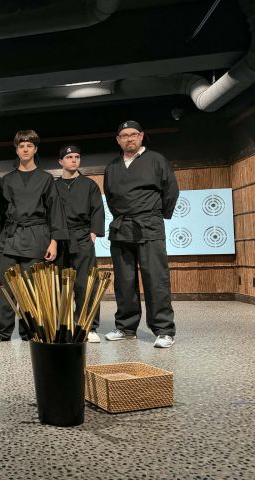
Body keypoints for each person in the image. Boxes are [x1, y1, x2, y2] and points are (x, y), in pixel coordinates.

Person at [104, 120, 179, 348]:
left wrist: (156, 215)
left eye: (133, 134)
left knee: (155, 279)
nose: (129, 138)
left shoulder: (156, 160)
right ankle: (126, 327)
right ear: (118, 140)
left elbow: (171, 190)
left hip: (149, 225)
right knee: (124, 281)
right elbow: (110, 197)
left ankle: (164, 329)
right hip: (121, 228)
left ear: (141, 136)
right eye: (124, 135)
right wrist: (123, 216)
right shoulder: (112, 166)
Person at [0, 130, 68, 343]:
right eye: (21, 146)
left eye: (29, 146)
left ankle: (30, 331)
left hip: (36, 237)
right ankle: (2, 331)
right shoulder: (6, 180)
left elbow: (55, 211)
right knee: (6, 287)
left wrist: (54, 242)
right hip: (10, 238)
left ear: (35, 149)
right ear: (16, 150)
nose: (25, 149)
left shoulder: (46, 179)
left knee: (32, 288)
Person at [55, 145, 105, 343]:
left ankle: (88, 326)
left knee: (86, 284)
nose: (74, 160)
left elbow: (97, 210)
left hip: (82, 237)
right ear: (61, 161)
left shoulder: (89, 185)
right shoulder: (53, 186)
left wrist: (92, 234)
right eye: (69, 157)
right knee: (60, 284)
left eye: (77, 156)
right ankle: (63, 325)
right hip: (59, 238)